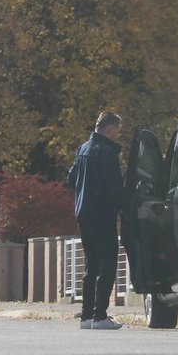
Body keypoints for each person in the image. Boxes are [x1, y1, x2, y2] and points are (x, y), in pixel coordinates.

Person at [67, 111, 125, 330]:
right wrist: (125, 206)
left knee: (91, 266)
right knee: (108, 263)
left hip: (83, 214)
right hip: (102, 214)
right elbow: (115, 189)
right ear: (110, 129)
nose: (117, 136)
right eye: (117, 131)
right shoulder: (107, 152)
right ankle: (100, 315)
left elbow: (71, 179)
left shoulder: (82, 149)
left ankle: (86, 316)